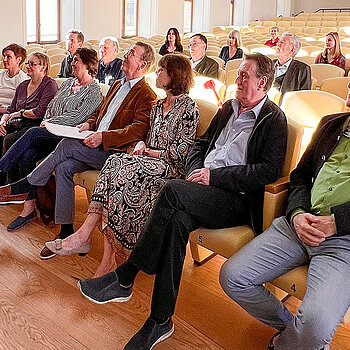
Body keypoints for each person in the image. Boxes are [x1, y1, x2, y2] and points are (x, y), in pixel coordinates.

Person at [76, 53, 289, 350]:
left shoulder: (274, 119)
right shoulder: (228, 107)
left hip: (234, 199)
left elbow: (266, 171)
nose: (237, 80)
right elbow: (201, 144)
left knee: (172, 191)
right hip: (201, 187)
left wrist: (214, 178)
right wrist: (194, 171)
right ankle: (160, 320)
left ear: (262, 82)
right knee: (176, 221)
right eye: (238, 74)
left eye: (244, 75)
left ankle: (126, 276)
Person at [218, 83, 350, 350]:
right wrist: (298, 213)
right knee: (232, 277)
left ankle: (289, 343)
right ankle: (294, 332)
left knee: (314, 327)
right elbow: (300, 176)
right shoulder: (330, 124)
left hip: (342, 242)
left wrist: (336, 222)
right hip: (297, 226)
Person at [45, 54, 199, 279]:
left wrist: (148, 151)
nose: (157, 72)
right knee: (114, 162)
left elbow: (181, 153)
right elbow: (145, 137)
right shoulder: (157, 106)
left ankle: (90, 243)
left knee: (120, 168)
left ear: (174, 75)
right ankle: (91, 241)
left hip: (170, 167)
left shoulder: (188, 108)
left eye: (163, 70)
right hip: (147, 161)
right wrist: (140, 144)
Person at [0, 42, 157, 261]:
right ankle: (67, 231)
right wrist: (90, 124)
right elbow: (102, 114)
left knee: (66, 144)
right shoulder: (117, 84)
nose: (126, 56)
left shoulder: (146, 94)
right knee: (64, 167)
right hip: (94, 143)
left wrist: (103, 136)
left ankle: (24, 184)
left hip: (114, 153)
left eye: (131, 54)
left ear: (143, 64)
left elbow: (137, 129)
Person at [0, 48, 103, 231]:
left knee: (31, 133)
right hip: (50, 131)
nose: (71, 63)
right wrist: (48, 120)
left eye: (76, 60)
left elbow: (78, 117)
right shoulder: (67, 83)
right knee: (28, 156)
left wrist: (50, 123)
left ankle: (2, 168)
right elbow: (51, 106)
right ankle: (28, 209)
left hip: (68, 137)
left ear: (87, 64)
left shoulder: (94, 91)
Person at [0, 52, 58, 157]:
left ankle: (4, 171)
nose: (28, 66)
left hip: (36, 124)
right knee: (1, 132)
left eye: (32, 64)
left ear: (43, 67)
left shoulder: (49, 84)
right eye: (27, 63)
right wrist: (3, 121)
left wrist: (21, 113)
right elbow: (11, 109)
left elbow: (40, 112)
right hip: (17, 123)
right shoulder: (23, 85)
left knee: (9, 139)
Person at [273, 32, 311, 102]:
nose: (277, 44)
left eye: (282, 42)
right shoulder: (268, 64)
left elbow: (304, 99)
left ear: (292, 49)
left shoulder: (302, 70)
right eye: (279, 41)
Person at [0, 44, 28, 114]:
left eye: (9, 57)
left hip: (8, 112)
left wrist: (5, 110)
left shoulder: (22, 78)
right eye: (4, 56)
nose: (4, 60)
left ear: (18, 59)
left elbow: (20, 104)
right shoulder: (0, 73)